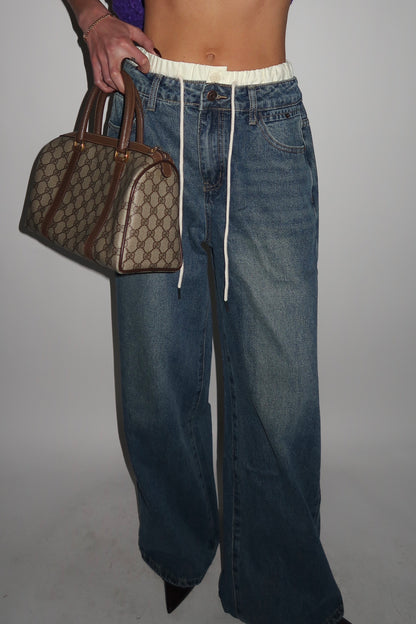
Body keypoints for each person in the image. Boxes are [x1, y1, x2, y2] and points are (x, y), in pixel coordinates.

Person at [65, 1, 351, 623]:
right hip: (153, 110)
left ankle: (281, 593)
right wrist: (92, 18)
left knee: (282, 392)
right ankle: (179, 546)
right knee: (155, 369)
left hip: (266, 121)